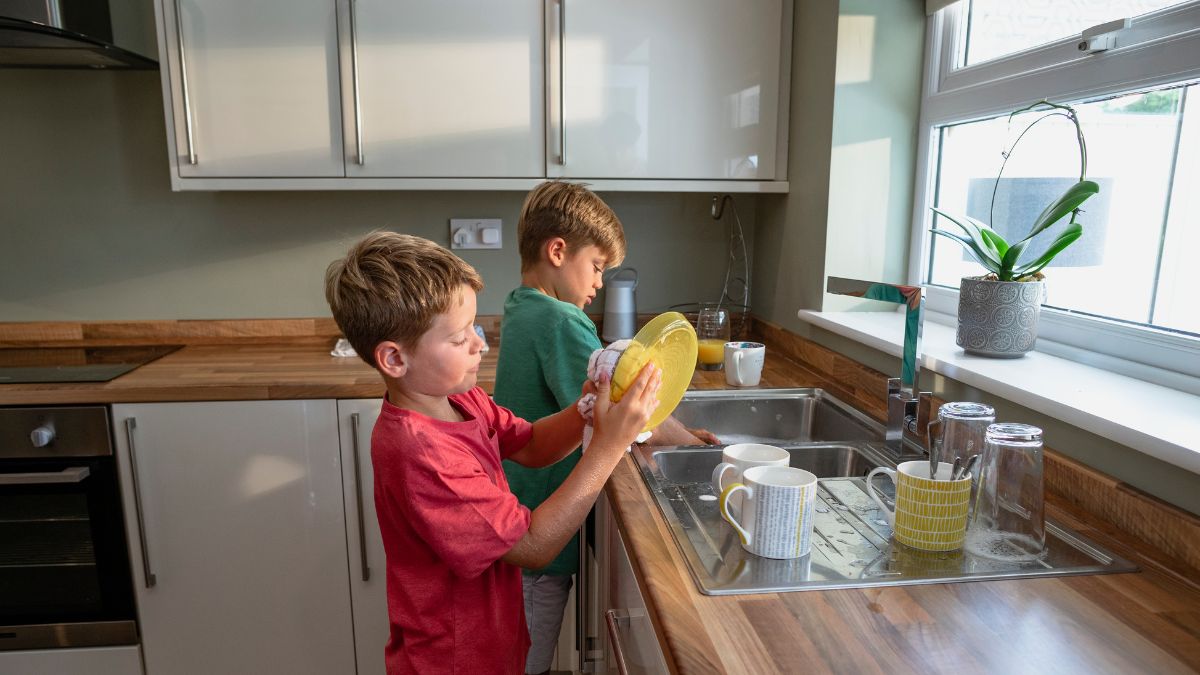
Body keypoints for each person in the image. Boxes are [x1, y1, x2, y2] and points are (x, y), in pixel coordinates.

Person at [324, 232, 661, 674]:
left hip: (492, 644)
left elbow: (531, 443)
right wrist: (609, 446)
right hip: (452, 662)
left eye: (474, 327)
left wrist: (585, 410)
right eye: (458, 338)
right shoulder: (421, 454)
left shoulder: (458, 397)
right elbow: (534, 545)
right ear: (394, 359)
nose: (479, 344)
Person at [494, 181, 717, 675]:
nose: (599, 282)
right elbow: (627, 410)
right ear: (558, 251)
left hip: (521, 507)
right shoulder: (560, 320)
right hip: (541, 527)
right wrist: (692, 444)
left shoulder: (521, 305)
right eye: (596, 266)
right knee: (526, 662)